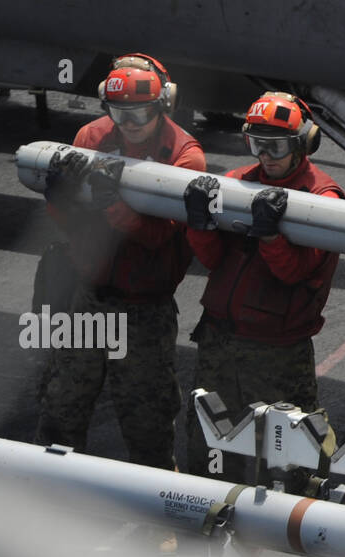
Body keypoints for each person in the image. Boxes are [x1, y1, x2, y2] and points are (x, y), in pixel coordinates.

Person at [36, 53, 205, 474]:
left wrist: (112, 204)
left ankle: (157, 524)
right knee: (61, 408)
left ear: (163, 105)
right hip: (89, 297)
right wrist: (60, 198)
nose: (128, 125)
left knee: (147, 424)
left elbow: (160, 235)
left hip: (144, 309)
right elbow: (71, 225)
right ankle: (54, 501)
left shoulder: (184, 156)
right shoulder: (91, 136)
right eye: (118, 113)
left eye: (140, 113)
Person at [181, 92, 343, 490]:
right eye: (257, 145)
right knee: (208, 444)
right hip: (220, 340)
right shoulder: (237, 183)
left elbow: (296, 273)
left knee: (288, 452)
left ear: (303, 144)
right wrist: (199, 225)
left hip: (277, 351)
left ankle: (296, 527)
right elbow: (215, 260)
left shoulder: (323, 198)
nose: (266, 156)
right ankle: (204, 517)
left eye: (276, 146)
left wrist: (271, 236)